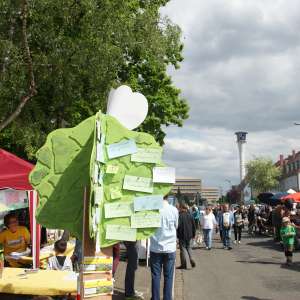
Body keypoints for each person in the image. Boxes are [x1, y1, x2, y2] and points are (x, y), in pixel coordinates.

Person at [150, 196, 179, 300]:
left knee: (156, 276)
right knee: (168, 276)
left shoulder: (152, 209)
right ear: (168, 197)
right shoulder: (174, 210)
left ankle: (155, 298)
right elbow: (176, 226)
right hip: (170, 247)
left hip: (155, 247)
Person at [177, 203, 196, 269]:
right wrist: (194, 234)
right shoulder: (190, 215)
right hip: (190, 235)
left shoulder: (179, 216)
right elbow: (194, 226)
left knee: (183, 250)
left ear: (182, 208)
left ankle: (184, 264)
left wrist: (177, 235)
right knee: (189, 248)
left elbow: (177, 226)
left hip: (182, 235)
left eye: (179, 207)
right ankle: (191, 258)